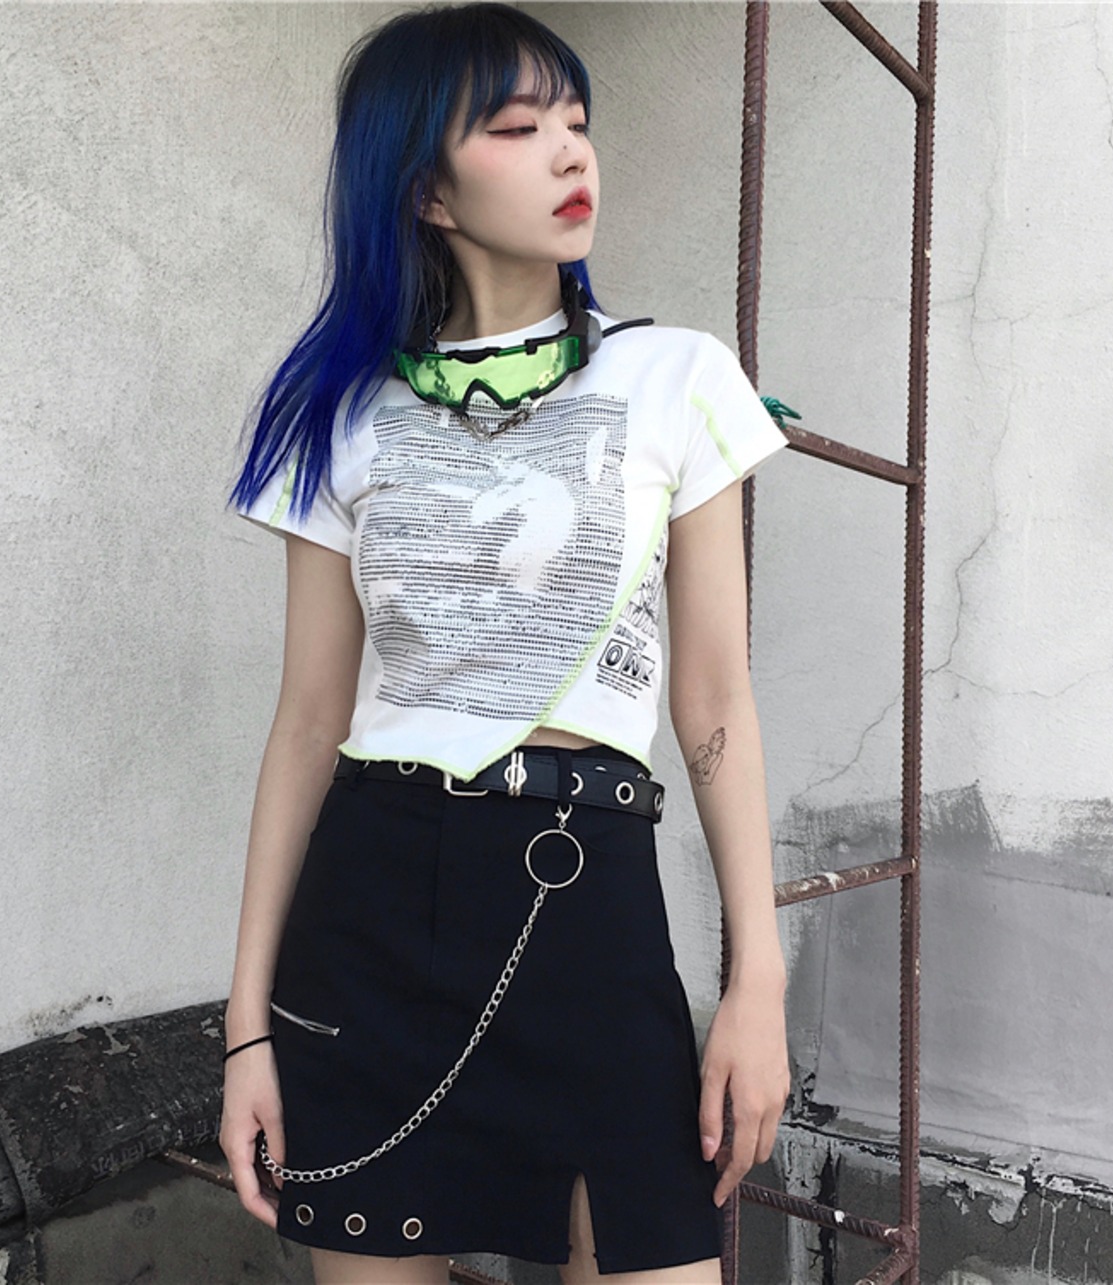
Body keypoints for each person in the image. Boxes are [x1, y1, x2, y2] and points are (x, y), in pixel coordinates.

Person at [220, 5, 792, 1283]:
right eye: (519, 128)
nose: (570, 153)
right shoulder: (338, 414)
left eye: (576, 122)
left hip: (584, 897)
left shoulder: (675, 377)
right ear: (425, 190)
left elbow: (713, 702)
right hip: (369, 913)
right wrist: (246, 1028)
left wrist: (755, 981)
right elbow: (306, 723)